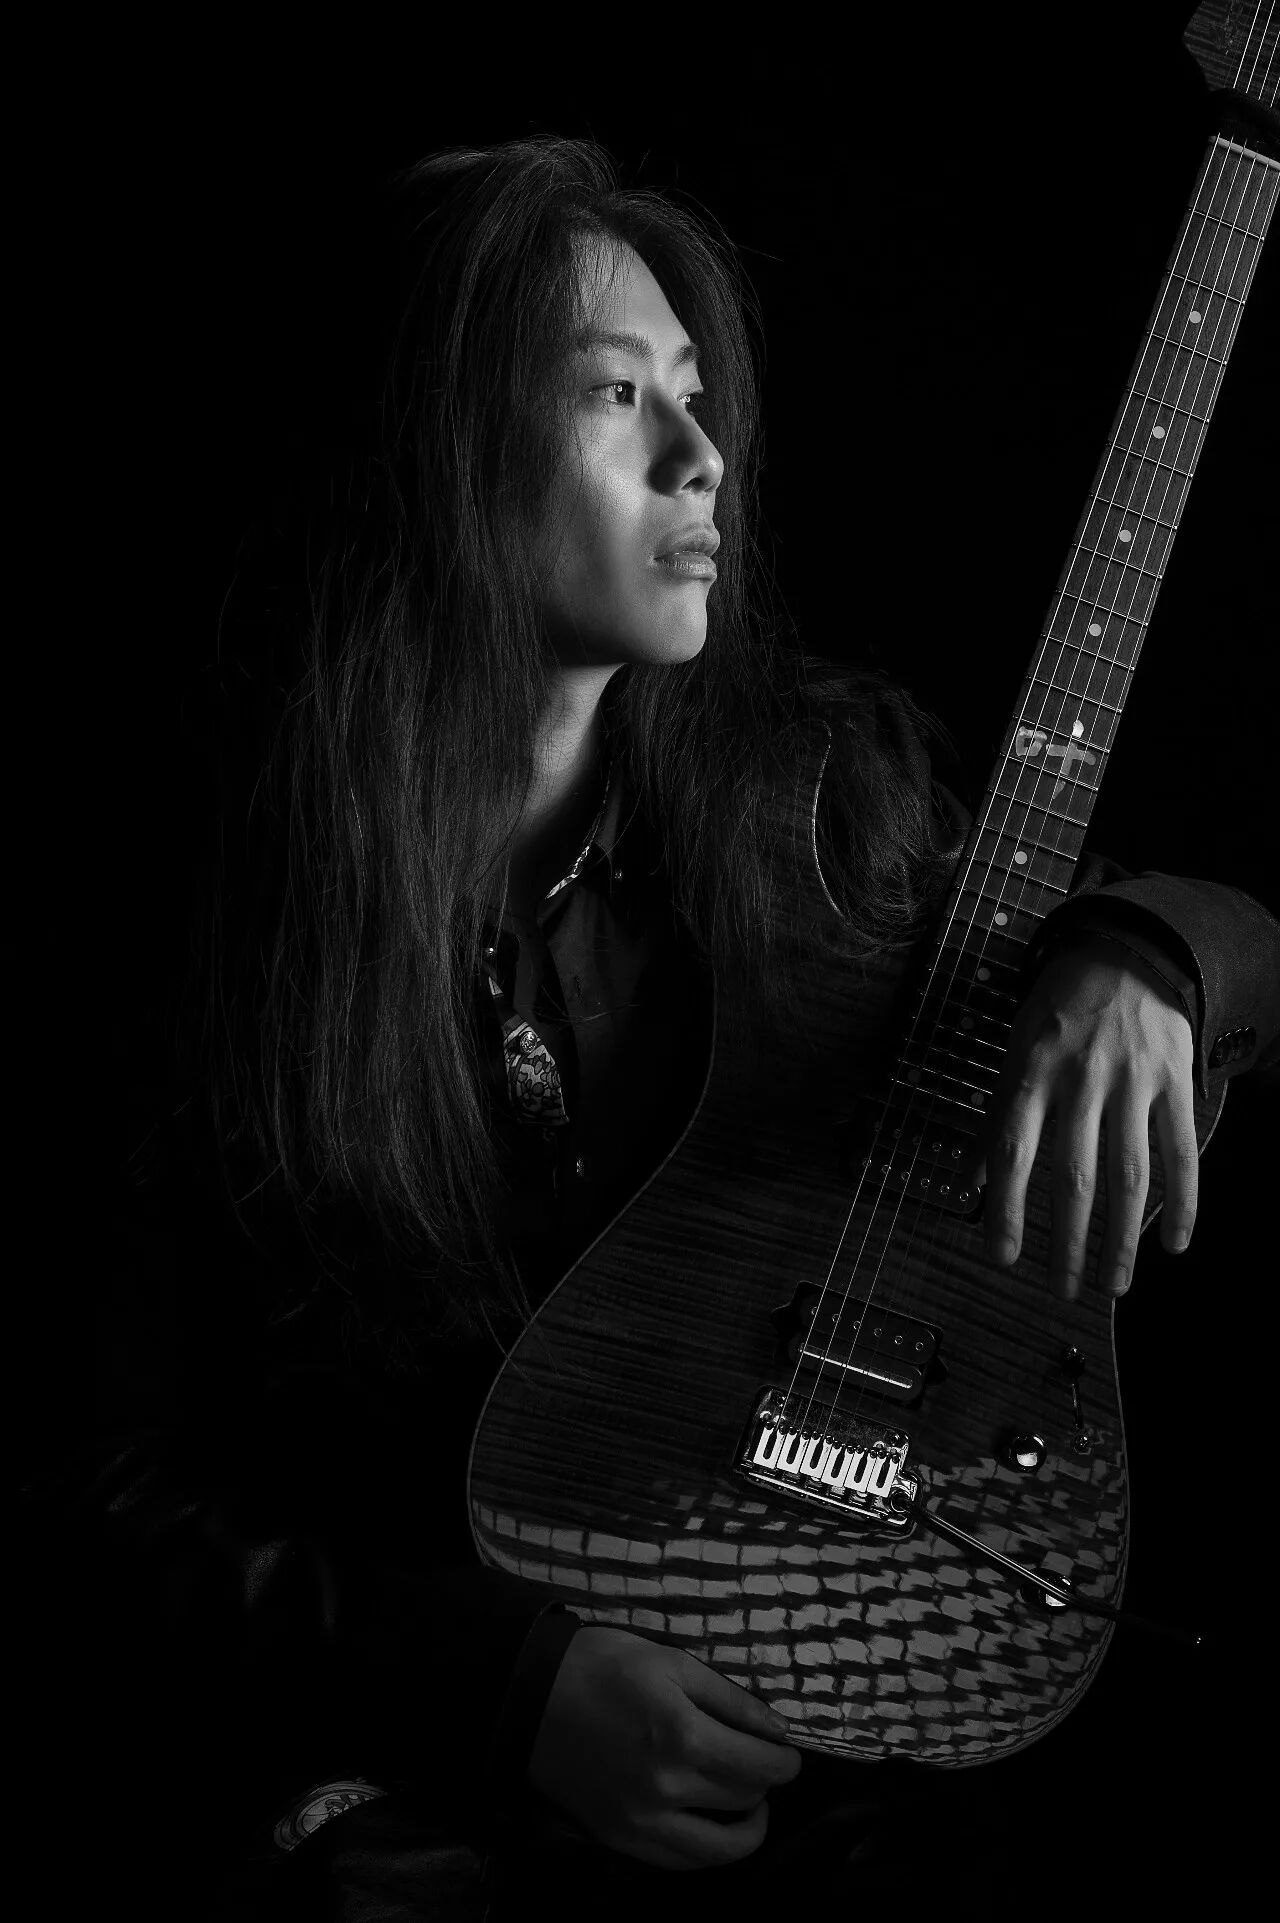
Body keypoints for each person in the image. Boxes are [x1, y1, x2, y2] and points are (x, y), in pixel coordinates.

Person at [23, 135, 1278, 1921]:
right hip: (403, 1795)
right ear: (435, 447)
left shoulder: (811, 809)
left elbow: (1206, 935)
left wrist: (1152, 957)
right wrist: (490, 1695)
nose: (704, 458)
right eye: (617, 395)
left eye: (698, 394)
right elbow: (101, 1487)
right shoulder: (207, 917)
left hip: (824, 1798)